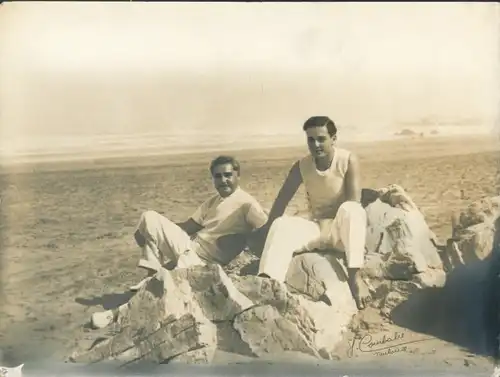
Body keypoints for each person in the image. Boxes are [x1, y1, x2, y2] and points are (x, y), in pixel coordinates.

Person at [253, 116, 371, 310]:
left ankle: (354, 277)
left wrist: (330, 224)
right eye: (310, 139)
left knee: (352, 209)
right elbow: (282, 200)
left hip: (341, 232)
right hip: (316, 228)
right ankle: (269, 283)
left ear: (334, 138)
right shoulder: (302, 166)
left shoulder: (348, 159)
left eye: (321, 139)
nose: (316, 144)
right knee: (281, 223)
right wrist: (267, 229)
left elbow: (353, 200)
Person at [129, 154, 269, 292]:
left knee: (172, 287)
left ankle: (154, 281)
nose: (223, 180)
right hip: (189, 247)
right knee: (149, 217)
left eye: (228, 175)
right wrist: (150, 231)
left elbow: (266, 232)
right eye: (218, 176)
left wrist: (243, 240)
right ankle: (152, 274)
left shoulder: (247, 204)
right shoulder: (213, 201)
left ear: (238, 176)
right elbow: (189, 227)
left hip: (204, 262)